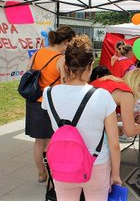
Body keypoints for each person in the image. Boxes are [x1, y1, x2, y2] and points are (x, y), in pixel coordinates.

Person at [42, 40, 121, 200]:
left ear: (66, 65)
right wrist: (116, 174)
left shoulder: (49, 93)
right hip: (96, 164)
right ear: (90, 66)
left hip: (62, 164)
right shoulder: (102, 96)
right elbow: (114, 144)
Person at [25, 25, 75, 183]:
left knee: (39, 142)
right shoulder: (61, 59)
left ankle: (41, 173)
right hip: (51, 105)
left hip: (33, 102)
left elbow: (28, 72)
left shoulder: (38, 52)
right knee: (52, 142)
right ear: (66, 42)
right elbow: (65, 85)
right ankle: (54, 174)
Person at [91, 68, 140, 137]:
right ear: (137, 85)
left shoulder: (112, 80)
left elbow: (101, 116)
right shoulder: (126, 94)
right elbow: (130, 132)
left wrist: (127, 118)